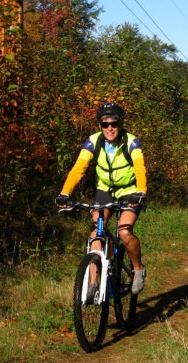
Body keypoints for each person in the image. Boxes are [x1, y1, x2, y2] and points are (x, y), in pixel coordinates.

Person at [55, 102, 148, 294]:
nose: (110, 128)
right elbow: (78, 168)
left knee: (124, 231)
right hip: (104, 190)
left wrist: (141, 192)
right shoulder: (93, 142)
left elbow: (139, 167)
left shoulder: (131, 142)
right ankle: (93, 282)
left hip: (129, 190)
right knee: (96, 232)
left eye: (114, 123)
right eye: (105, 124)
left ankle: (138, 269)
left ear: (121, 124)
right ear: (100, 125)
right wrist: (65, 193)